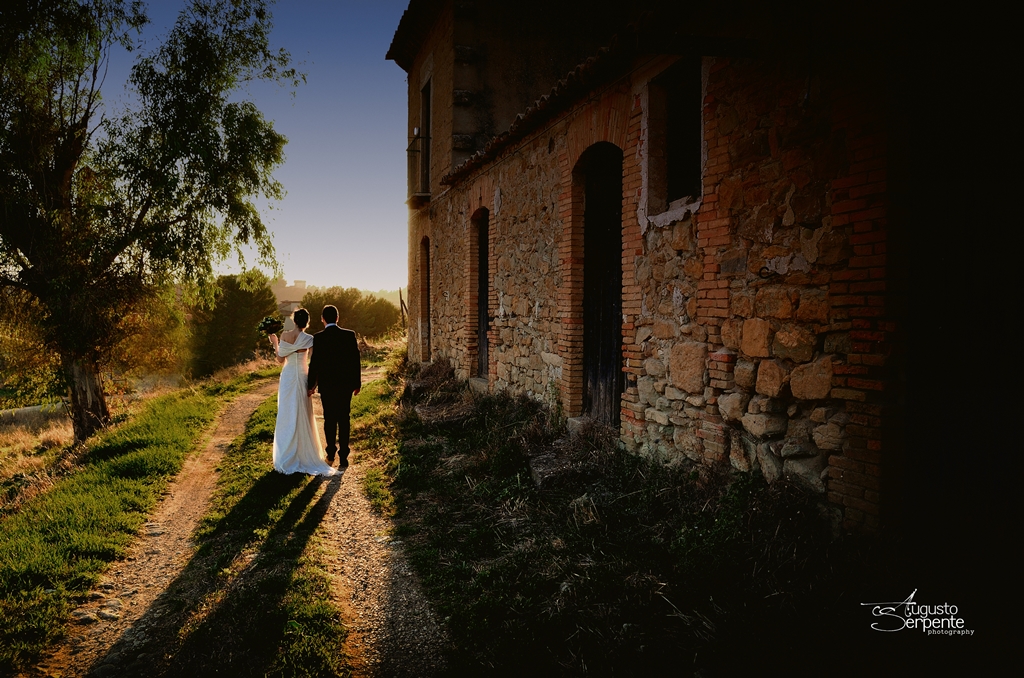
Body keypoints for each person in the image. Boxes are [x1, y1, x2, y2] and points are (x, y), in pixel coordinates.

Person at [268, 308, 337, 476]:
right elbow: (315, 364)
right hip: (302, 376)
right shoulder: (309, 339)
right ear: (307, 322)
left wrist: (275, 342)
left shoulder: (284, 335)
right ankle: (305, 452)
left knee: (286, 413)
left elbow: (279, 359)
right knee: (303, 413)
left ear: (294, 320)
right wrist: (314, 384)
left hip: (288, 377)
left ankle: (287, 454)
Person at [306, 304, 361, 466]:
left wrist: (311, 385)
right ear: (337, 318)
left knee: (329, 419)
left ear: (322, 319)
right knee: (344, 419)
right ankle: (344, 455)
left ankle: (330, 453)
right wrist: (357, 383)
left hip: (327, 385)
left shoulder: (319, 338)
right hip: (345, 385)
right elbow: (355, 361)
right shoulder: (349, 335)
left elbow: (314, 364)